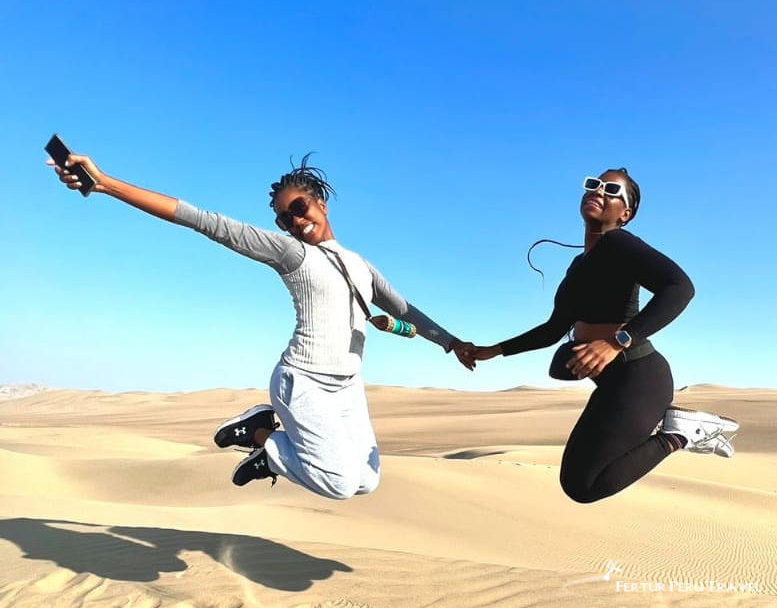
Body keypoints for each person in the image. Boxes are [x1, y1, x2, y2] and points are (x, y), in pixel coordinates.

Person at [47, 151, 474, 500]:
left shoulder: (361, 265)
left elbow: (405, 310)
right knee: (340, 484)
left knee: (367, 480)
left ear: (321, 204)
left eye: (299, 208)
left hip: (347, 388)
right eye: (284, 218)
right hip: (304, 381)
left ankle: (268, 448)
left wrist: (453, 343)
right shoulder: (292, 254)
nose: (294, 221)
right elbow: (203, 220)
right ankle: (261, 437)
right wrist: (106, 184)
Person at [471, 169, 738, 504]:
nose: (598, 191)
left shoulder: (618, 243)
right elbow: (554, 328)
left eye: (611, 190)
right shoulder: (577, 264)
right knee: (574, 480)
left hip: (639, 377)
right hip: (613, 382)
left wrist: (617, 341)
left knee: (585, 486)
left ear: (625, 214)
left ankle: (679, 434)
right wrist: (493, 350)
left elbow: (680, 287)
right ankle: (676, 429)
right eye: (593, 185)